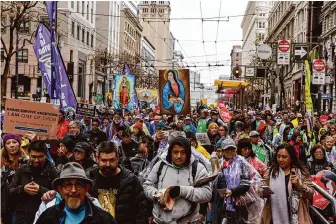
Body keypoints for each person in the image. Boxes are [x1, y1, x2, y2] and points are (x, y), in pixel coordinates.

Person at [143, 136, 212, 224]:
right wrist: (157, 195)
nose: (179, 156)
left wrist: (182, 191)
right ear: (170, 152)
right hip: (160, 221)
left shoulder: (198, 168)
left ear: (188, 152)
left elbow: (207, 194)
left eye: (183, 152)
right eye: (175, 152)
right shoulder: (160, 165)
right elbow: (147, 185)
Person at [88, 141, 149, 224]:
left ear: (117, 158)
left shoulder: (130, 180)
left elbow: (142, 212)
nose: (108, 164)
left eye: (112, 160)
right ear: (97, 159)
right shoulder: (90, 179)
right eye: (104, 160)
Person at [35, 162, 117, 224]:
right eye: (68, 185)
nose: (73, 190)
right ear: (60, 190)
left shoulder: (103, 219)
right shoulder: (48, 217)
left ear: (86, 188)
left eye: (79, 185)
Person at [260, 144, 314, 224]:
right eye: (278, 156)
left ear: (291, 158)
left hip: (297, 216)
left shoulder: (300, 173)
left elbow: (310, 193)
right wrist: (262, 191)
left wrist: (299, 185)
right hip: (274, 215)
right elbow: (262, 189)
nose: (280, 159)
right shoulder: (271, 172)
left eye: (284, 157)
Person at [9, 141, 59, 224]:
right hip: (22, 216)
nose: (36, 160)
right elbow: (10, 191)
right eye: (33, 157)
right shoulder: (21, 170)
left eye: (40, 157)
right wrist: (22, 188)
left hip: (45, 216)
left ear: (45, 155)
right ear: (29, 154)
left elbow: (60, 194)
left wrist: (41, 190)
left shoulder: (52, 172)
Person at [212, 138, 251, 224]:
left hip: (239, 203)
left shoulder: (241, 162)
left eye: (232, 149)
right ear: (222, 151)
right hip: (222, 204)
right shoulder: (219, 163)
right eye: (227, 150)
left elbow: (246, 183)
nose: (230, 152)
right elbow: (214, 184)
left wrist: (233, 191)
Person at [1, 134, 29, 223]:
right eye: (8, 143)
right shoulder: (1, 163)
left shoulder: (27, 160)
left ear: (19, 144)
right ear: (5, 146)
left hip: (23, 202)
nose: (12, 145)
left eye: (14, 142)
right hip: (5, 203)